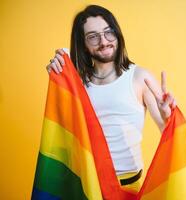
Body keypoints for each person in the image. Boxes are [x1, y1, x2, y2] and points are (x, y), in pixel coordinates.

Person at [45, 5, 176, 192]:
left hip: (128, 187)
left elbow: (168, 133)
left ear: (117, 34)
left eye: (109, 32)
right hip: (85, 186)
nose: (103, 41)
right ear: (82, 43)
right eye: (93, 36)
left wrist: (166, 115)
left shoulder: (140, 77)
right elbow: (64, 133)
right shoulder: (76, 83)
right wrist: (58, 76)